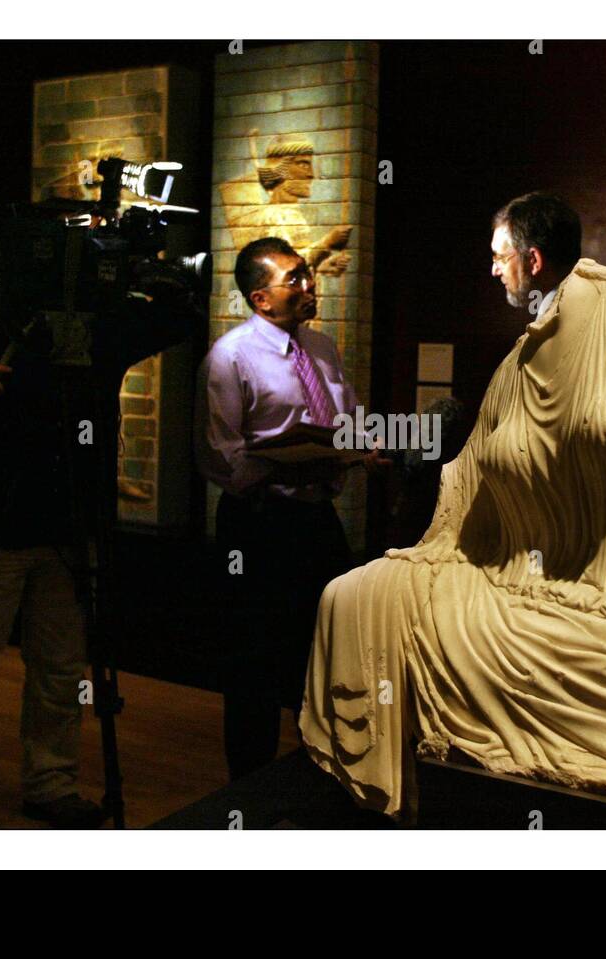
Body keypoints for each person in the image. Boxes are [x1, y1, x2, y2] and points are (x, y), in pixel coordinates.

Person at [300, 193, 606, 819]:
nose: (493, 271)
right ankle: (388, 810)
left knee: (356, 600)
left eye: (499, 257)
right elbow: (467, 482)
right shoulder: (518, 365)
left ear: (534, 259)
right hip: (505, 586)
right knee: (351, 597)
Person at [0, 219, 195, 828]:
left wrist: (149, 275)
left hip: (70, 523)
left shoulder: (101, 330)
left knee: (62, 668)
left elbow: (182, 320)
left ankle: (50, 781)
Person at [195, 236, 382, 781]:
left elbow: (343, 419)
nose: (309, 286)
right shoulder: (230, 357)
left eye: (308, 274)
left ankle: (319, 770)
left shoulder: (322, 346)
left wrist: (359, 450)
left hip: (315, 521)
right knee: (253, 657)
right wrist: (284, 466)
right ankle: (248, 787)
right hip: (257, 526)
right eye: (294, 279)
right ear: (260, 298)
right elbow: (220, 457)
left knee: (330, 645)